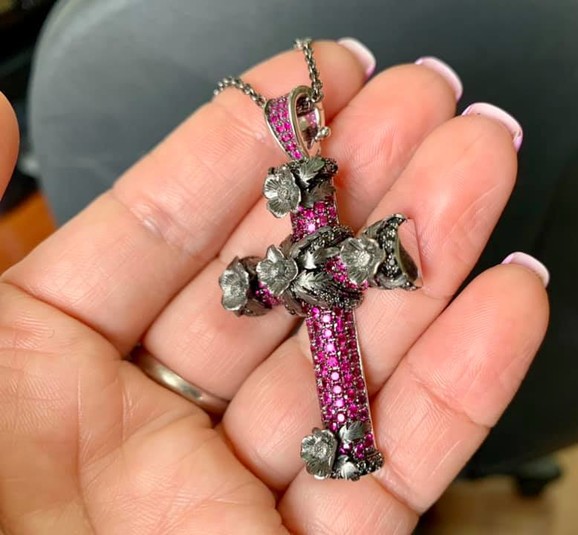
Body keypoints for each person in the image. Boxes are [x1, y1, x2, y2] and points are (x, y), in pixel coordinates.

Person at [0, 39, 549, 533]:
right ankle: (348, 449)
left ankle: (349, 448)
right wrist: (263, 284)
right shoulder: (300, 246)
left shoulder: (321, 231)